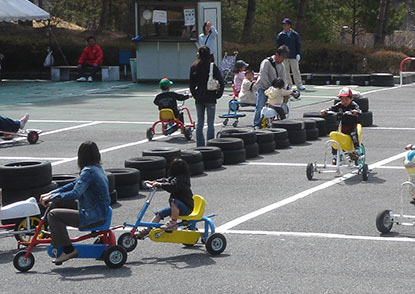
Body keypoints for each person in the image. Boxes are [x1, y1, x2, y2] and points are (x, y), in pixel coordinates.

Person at [39, 141, 110, 264]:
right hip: (97, 210)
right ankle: (56, 233)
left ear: (81, 156)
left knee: (53, 215)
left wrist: (53, 197)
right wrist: (51, 194)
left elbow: (75, 193)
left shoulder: (89, 171)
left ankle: (68, 250)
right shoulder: (97, 168)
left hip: (93, 216)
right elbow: (74, 184)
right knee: (56, 204)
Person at [135, 159, 194, 239]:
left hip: (186, 207)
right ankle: (148, 229)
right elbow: (166, 180)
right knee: (160, 213)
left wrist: (161, 185)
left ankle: (173, 223)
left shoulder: (183, 180)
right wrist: (154, 182)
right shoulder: (175, 178)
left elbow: (173, 186)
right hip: (177, 207)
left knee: (174, 201)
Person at [189, 46, 224, 147]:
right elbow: (221, 80)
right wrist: (219, 94)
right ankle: (210, 144)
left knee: (200, 122)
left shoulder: (194, 66)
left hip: (199, 95)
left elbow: (191, 83)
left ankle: (200, 145)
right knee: (210, 122)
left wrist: (194, 94)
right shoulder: (212, 66)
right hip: (210, 96)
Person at [321, 87, 362, 164]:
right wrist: (325, 111)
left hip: (351, 126)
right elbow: (332, 109)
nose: (344, 101)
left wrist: (355, 112)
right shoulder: (339, 105)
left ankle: (356, 151)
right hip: (342, 127)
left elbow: (359, 111)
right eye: (342, 99)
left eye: (346, 99)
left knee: (353, 135)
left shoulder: (353, 105)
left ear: (351, 98)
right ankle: (335, 156)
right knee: (335, 138)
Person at [253, 45, 289, 129]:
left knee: (276, 107)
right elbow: (263, 76)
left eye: (284, 58)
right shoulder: (266, 62)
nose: (283, 59)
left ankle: (273, 123)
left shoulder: (282, 66)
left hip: (275, 90)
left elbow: (283, 79)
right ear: (277, 55)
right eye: (282, 57)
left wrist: (282, 89)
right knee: (260, 106)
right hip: (263, 87)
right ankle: (256, 124)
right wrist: (271, 89)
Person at [276, 18, 306, 91]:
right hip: (284, 56)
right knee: (286, 71)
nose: (284, 26)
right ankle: (288, 85)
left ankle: (299, 84)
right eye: (283, 25)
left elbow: (298, 44)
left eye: (285, 25)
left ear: (289, 25)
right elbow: (278, 46)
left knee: (296, 70)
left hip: (293, 55)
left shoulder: (295, 34)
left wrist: (298, 53)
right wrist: (279, 55)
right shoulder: (281, 35)